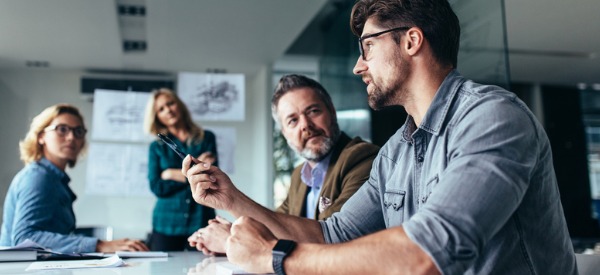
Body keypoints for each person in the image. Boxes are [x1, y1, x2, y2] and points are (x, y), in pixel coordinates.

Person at [184, 0, 578, 274]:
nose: (358, 66)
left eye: (368, 47)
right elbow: (332, 235)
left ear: (411, 41)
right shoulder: (395, 153)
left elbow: (428, 255)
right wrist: (230, 198)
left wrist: (276, 257)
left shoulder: (493, 117)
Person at [187, 74, 379, 254]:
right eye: (292, 120)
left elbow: (331, 240)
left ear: (332, 112)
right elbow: (275, 227)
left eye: (313, 111)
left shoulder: (362, 158)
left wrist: (231, 239)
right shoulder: (300, 175)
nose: (305, 125)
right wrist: (234, 229)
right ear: (285, 134)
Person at [0, 104, 149, 253]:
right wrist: (99, 245)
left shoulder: (55, 179)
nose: (71, 137)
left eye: (78, 132)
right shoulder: (38, 177)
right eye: (62, 129)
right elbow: (24, 239)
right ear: (41, 136)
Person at [144, 88, 218, 251]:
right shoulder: (156, 147)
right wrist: (192, 174)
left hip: (200, 219)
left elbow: (210, 178)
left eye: (170, 104)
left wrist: (170, 174)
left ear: (179, 105)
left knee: (204, 269)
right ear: (157, 117)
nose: (168, 110)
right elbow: (157, 186)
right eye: (161, 109)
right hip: (166, 223)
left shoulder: (206, 138)